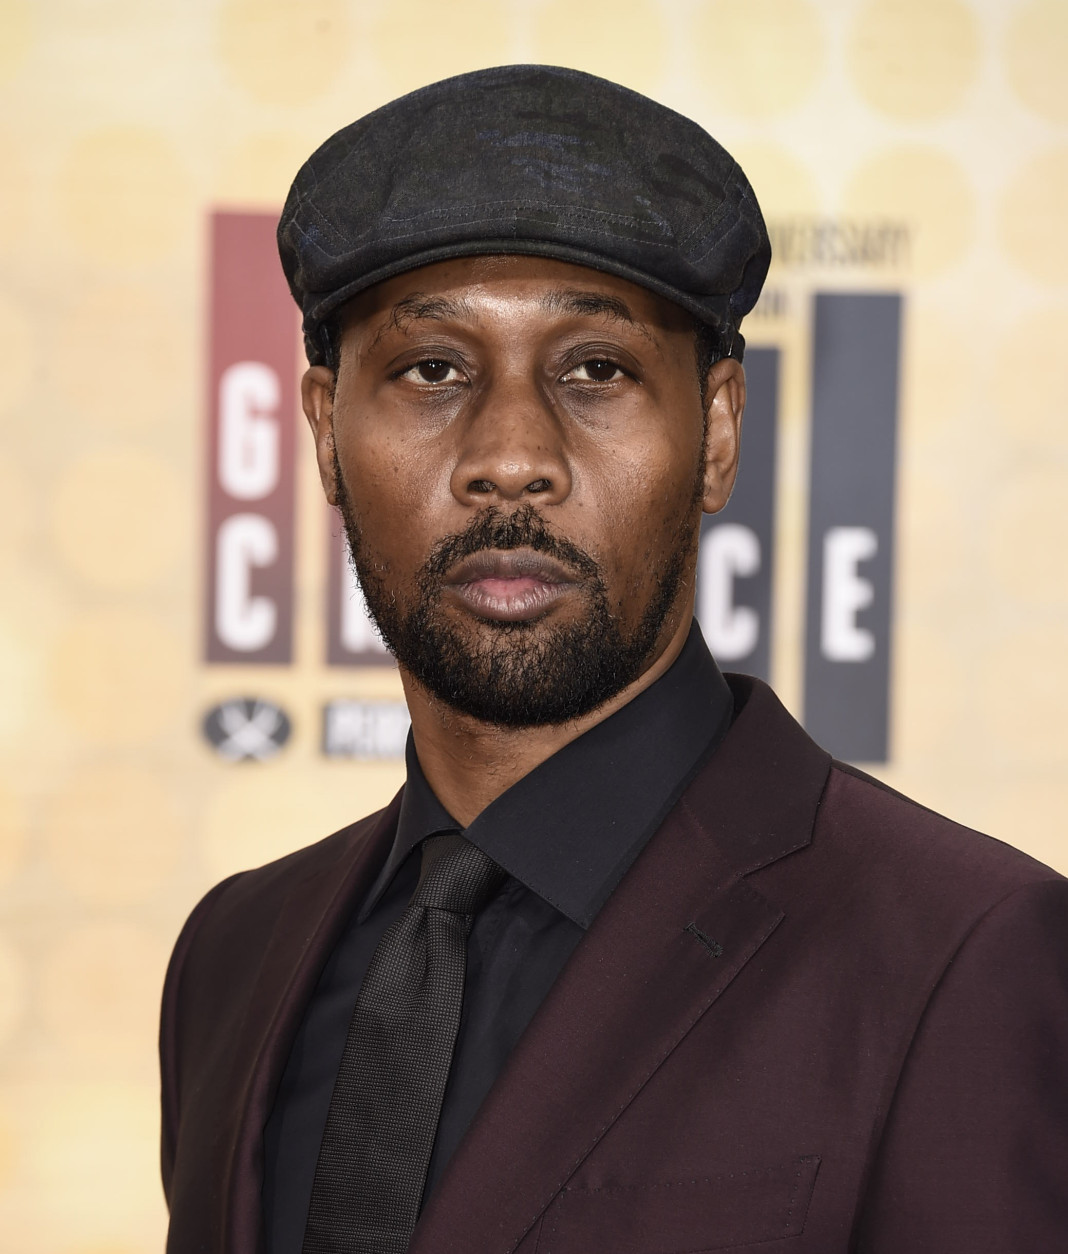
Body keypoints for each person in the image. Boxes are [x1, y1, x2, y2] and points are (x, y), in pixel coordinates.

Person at [160, 65, 1068, 1254]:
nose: (511, 457)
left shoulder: (963, 953)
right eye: (432, 369)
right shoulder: (234, 952)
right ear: (328, 433)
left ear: (719, 432)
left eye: (597, 369)